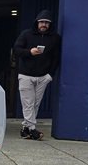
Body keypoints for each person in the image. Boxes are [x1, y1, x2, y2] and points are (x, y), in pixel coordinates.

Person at [13, 9, 61, 140]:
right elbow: (16, 49)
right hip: (26, 75)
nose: (44, 24)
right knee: (28, 103)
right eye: (42, 22)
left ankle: (25, 129)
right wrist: (30, 52)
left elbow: (56, 58)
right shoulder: (26, 34)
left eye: (47, 22)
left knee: (35, 104)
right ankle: (32, 129)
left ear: (50, 24)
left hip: (43, 76)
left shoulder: (55, 38)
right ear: (37, 22)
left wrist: (50, 75)